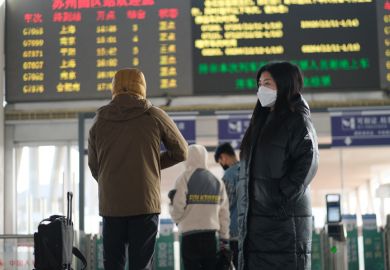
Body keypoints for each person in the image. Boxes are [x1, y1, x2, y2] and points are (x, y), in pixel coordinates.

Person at [88, 68, 188, 270]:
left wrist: (112, 180)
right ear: (142, 86)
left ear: (113, 88)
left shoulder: (99, 120)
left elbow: (94, 165)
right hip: (144, 203)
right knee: (141, 265)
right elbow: (181, 151)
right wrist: (147, 165)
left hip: (111, 204)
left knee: (113, 264)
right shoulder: (154, 115)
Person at [237, 61, 319, 270]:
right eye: (259, 84)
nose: (261, 89)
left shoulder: (296, 119)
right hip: (256, 226)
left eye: (267, 83)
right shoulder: (261, 122)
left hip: (282, 226)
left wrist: (280, 197)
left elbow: (308, 161)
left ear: (284, 84)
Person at [169, 144, 230, 270]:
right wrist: (224, 237)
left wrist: (176, 218)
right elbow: (224, 213)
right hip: (210, 237)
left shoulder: (184, 178)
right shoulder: (216, 181)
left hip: (190, 237)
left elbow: (178, 207)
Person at [214, 142, 240, 269]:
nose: (221, 164)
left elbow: (225, 204)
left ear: (223, 157)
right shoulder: (247, 169)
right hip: (252, 231)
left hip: (235, 233)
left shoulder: (229, 175)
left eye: (220, 161)